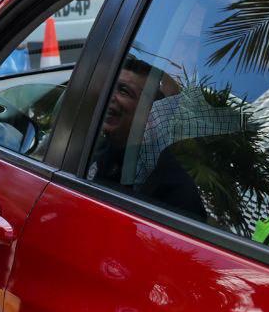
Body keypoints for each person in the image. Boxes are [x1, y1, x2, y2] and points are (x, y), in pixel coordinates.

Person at [88, 55, 207, 221]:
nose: (109, 96)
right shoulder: (93, 147)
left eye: (124, 91)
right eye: (110, 86)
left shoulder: (174, 188)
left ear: (151, 112)